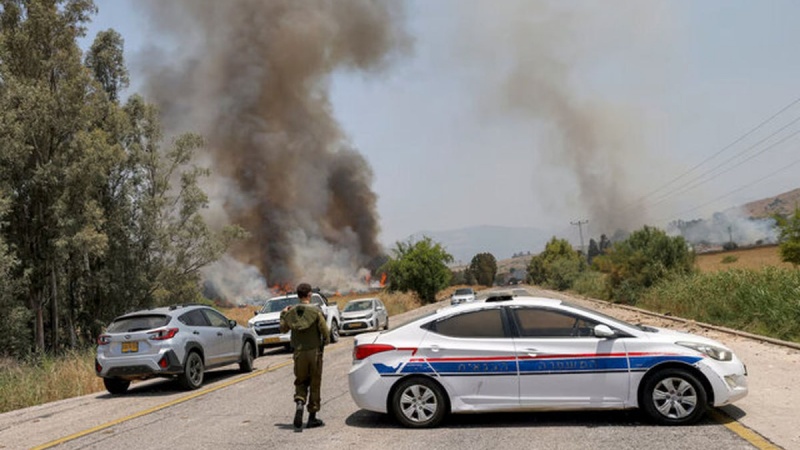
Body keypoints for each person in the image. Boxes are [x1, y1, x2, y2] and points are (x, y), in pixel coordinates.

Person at [280, 282, 330, 432]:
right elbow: (325, 332)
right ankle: (312, 418)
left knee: (301, 381)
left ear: (298, 295)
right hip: (314, 352)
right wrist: (324, 343)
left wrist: (283, 314)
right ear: (309, 295)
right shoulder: (315, 312)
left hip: (298, 353)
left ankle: (300, 402)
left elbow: (282, 329)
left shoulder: (291, 313)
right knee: (315, 383)